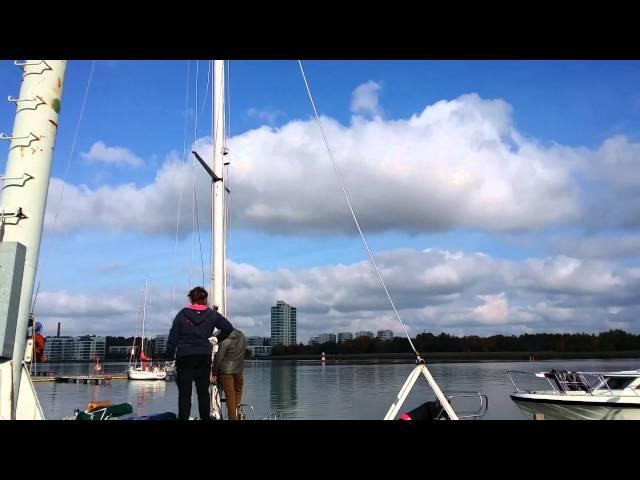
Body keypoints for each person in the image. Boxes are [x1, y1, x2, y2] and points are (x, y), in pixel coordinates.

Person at [165, 286, 233, 420]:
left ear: (191, 299)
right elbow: (228, 328)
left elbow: (173, 336)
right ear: (205, 299)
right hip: (203, 357)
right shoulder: (212, 315)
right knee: (203, 393)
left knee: (184, 394)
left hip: (184, 358)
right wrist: (216, 339)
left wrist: (168, 353)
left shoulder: (182, 314)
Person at [210, 316, 247, 420]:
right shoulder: (242, 336)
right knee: (238, 393)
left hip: (226, 372)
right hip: (239, 370)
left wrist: (214, 374)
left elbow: (218, 357)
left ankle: (232, 418)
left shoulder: (225, 339)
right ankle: (238, 414)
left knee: (230, 396)